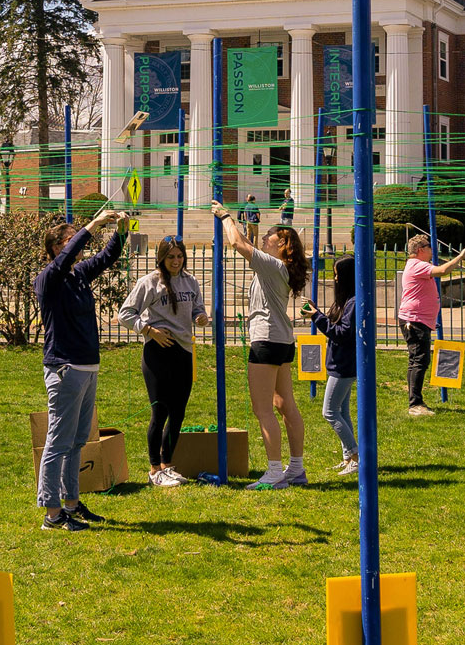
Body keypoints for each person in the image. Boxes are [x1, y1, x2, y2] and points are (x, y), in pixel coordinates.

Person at [33, 207, 126, 530]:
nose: (79, 247)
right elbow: (72, 253)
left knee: (76, 442)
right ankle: (52, 514)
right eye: (71, 242)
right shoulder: (50, 278)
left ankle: (71, 503)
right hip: (65, 368)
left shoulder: (78, 274)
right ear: (57, 247)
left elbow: (106, 257)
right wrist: (94, 224)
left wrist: (122, 230)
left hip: (87, 367)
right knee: (58, 442)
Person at [213, 201, 309, 487]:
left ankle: (274, 471)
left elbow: (237, 244)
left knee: (263, 408)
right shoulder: (280, 266)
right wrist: (234, 222)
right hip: (282, 340)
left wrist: (225, 217)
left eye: (271, 236)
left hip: (266, 340)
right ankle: (296, 468)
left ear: (283, 245)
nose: (265, 237)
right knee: (284, 403)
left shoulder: (272, 265)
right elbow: (244, 241)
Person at [118, 236, 208, 486]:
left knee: (178, 413)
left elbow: (198, 308)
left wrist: (201, 317)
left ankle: (168, 465)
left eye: (180, 256)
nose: (176, 261)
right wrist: (149, 331)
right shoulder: (149, 282)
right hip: (157, 354)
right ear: (161, 258)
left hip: (183, 351)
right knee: (160, 412)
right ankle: (154, 469)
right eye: (171, 257)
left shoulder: (191, 281)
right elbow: (125, 313)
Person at [398, 232, 465, 416]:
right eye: (430, 247)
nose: (433, 250)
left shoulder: (418, 265)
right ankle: (415, 404)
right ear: (420, 250)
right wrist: (461, 256)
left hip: (418, 320)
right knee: (419, 360)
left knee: (417, 360)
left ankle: (414, 401)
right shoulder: (417, 265)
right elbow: (443, 271)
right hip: (414, 320)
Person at [303, 254, 358, 474]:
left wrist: (317, 317)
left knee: (329, 412)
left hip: (343, 366)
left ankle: (355, 454)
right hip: (340, 363)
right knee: (342, 412)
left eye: (337, 275)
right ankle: (349, 458)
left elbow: (342, 334)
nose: (334, 279)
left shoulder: (354, 302)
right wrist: (318, 313)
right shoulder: (346, 301)